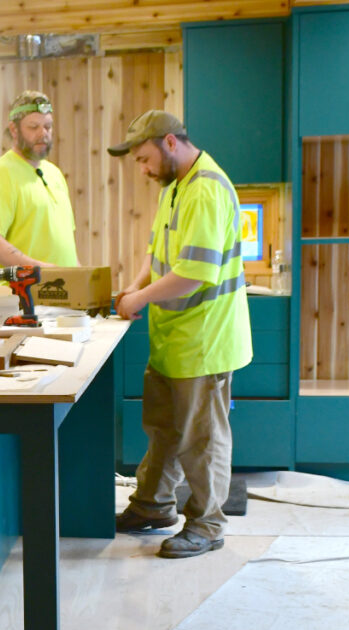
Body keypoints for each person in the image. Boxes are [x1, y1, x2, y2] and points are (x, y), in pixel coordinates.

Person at [108, 110, 252, 559]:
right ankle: (153, 505)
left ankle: (208, 526)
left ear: (170, 143)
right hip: (174, 339)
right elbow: (158, 254)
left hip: (204, 342)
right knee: (165, 431)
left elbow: (193, 272)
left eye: (145, 159)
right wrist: (135, 286)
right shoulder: (175, 188)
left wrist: (140, 299)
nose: (144, 170)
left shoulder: (206, 190)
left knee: (201, 439)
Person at [0, 89, 79, 280]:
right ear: (14, 130)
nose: (43, 134)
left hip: (61, 295)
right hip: (22, 299)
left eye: (48, 127)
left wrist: (80, 279)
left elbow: (66, 245)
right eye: (34, 127)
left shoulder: (55, 174)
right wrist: (42, 272)